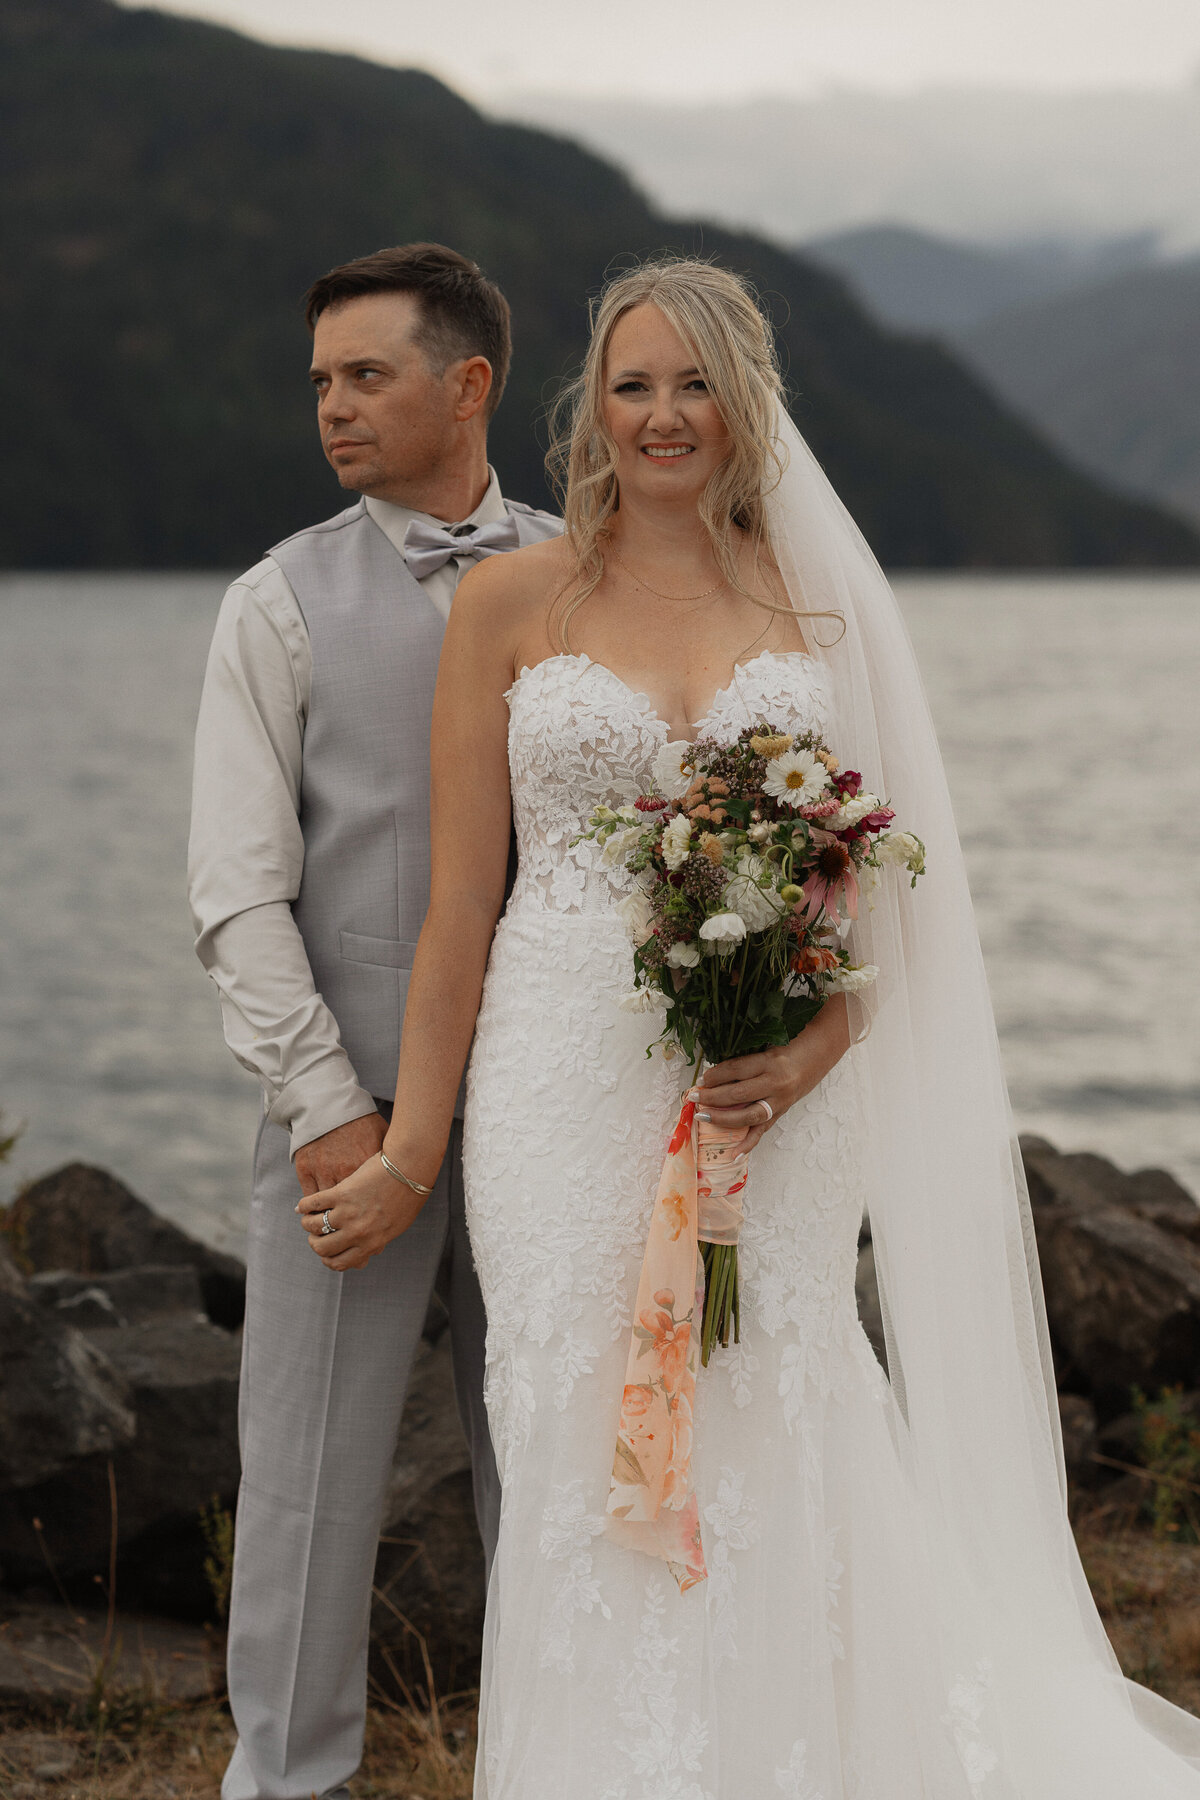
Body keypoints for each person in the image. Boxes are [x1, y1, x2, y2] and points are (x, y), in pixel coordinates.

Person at [299, 257, 1200, 1797]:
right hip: (557, 1084)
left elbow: (884, 899)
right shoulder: (512, 602)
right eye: (635, 383)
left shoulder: (813, 608)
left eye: (696, 383)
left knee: (777, 1413)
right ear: (594, 403)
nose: (664, 415)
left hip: (767, 1094)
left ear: (745, 401)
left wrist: (811, 1053)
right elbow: (460, 910)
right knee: (579, 1433)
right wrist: (412, 1147)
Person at [188, 242, 561, 1800]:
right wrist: (332, 1109)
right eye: (321, 381)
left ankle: (564, 1762)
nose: (331, 408)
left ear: (467, 384)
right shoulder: (276, 600)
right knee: (307, 1486)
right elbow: (234, 893)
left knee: (546, 1468)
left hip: (556, 1107)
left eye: (366, 375)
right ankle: (286, 1781)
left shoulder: (584, 565)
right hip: (346, 1109)